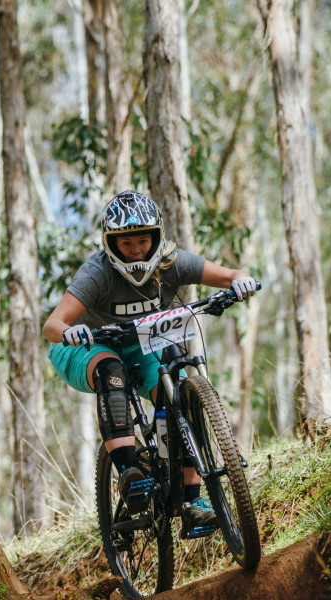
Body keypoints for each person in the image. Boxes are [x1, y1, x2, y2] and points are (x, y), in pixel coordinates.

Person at [41, 190, 259, 531]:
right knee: (111, 372)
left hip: (138, 345)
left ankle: (191, 503)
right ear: (111, 244)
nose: (136, 250)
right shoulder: (97, 271)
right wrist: (69, 332)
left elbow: (230, 273)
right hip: (84, 345)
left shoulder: (172, 262)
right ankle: (129, 473)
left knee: (179, 399)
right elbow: (53, 325)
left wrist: (240, 281)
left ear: (156, 237)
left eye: (143, 241)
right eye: (126, 244)